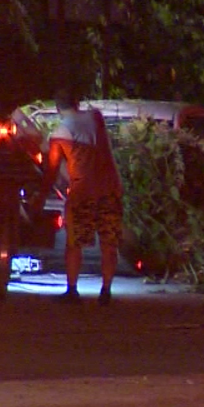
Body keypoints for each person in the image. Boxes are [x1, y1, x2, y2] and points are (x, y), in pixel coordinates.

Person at [34, 89, 124, 306]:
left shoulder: (60, 133)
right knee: (108, 242)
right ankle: (106, 291)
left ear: (57, 109)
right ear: (76, 102)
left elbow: (53, 170)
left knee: (74, 243)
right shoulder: (96, 118)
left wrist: (40, 196)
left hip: (83, 192)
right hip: (111, 189)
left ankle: (72, 290)